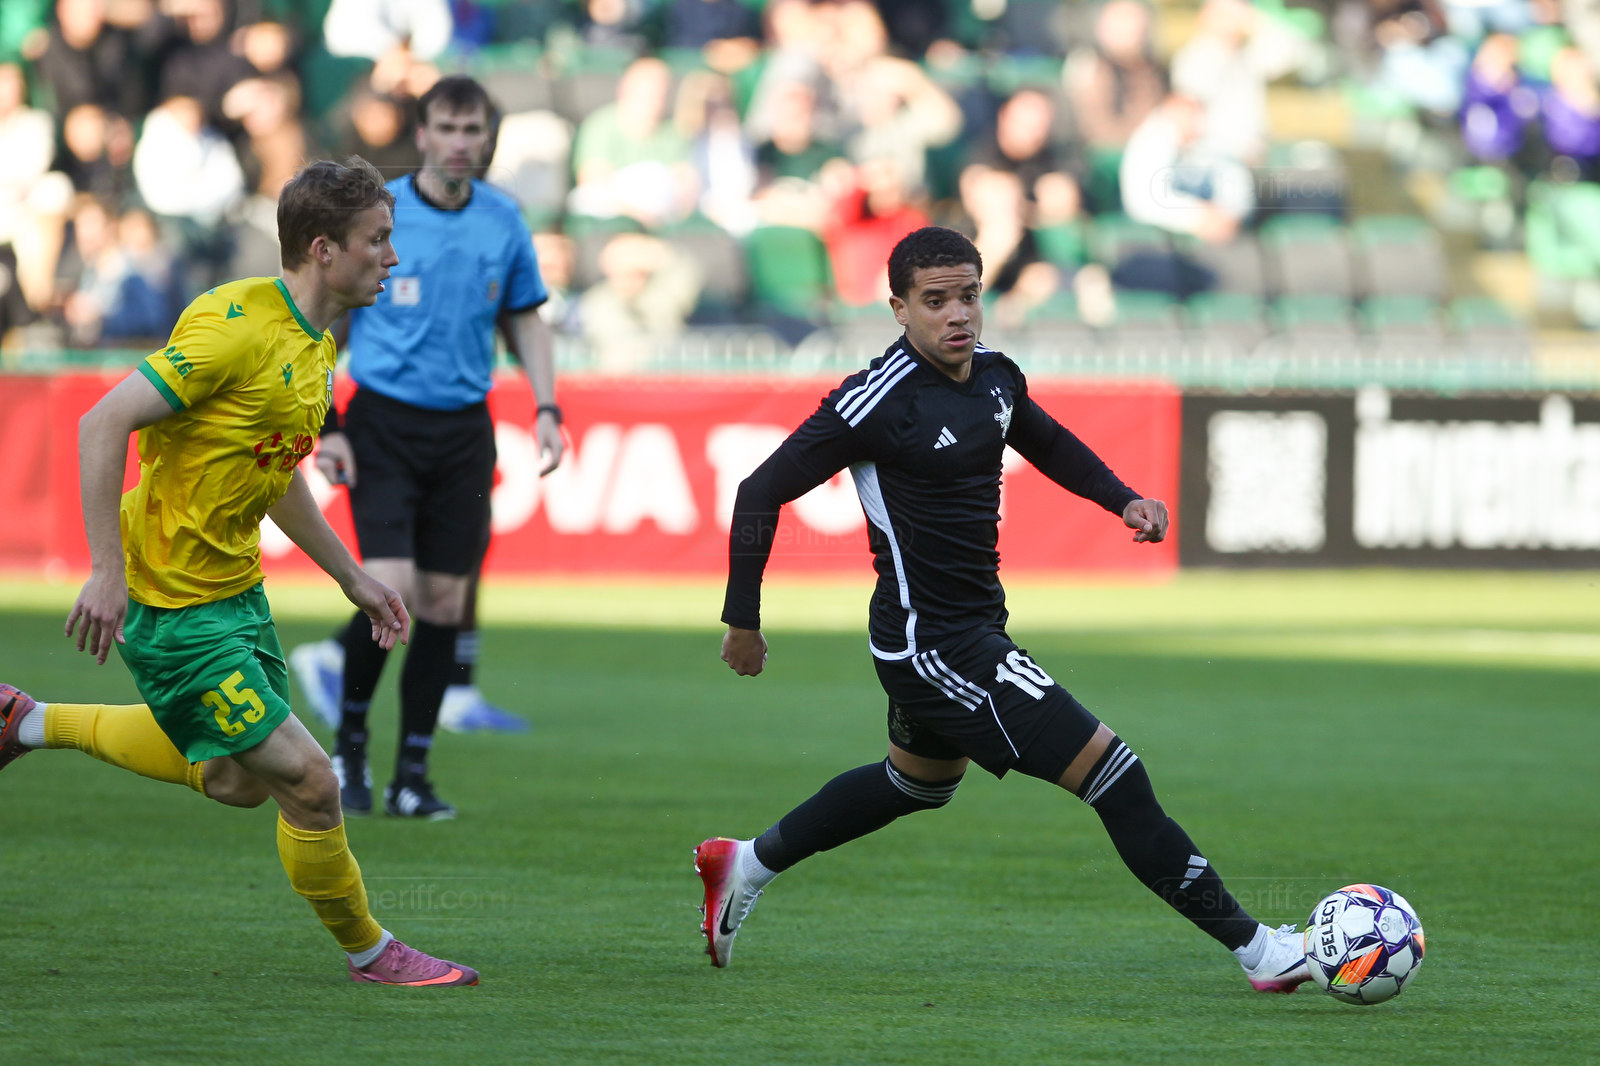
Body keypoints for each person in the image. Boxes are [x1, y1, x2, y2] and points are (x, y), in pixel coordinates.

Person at [693, 226, 1311, 994]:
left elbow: (1047, 441)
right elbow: (759, 490)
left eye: (969, 295)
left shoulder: (994, 376)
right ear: (899, 309)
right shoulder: (875, 400)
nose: (958, 314)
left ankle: (744, 863)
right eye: (935, 301)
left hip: (969, 630)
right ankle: (1259, 950)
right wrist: (743, 621)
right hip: (935, 646)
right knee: (1115, 775)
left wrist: (1121, 499)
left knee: (916, 784)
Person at [0, 157, 477, 987]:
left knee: (235, 779)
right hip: (170, 602)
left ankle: (26, 723)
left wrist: (351, 577)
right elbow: (101, 422)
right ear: (324, 249)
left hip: (234, 594)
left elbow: (275, 467)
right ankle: (373, 953)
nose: (392, 257)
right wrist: (106, 572)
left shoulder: (316, 341)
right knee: (311, 781)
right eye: (377, 239)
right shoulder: (234, 327)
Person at [288, 76, 564, 821]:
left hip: (464, 430)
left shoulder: (503, 219)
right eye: (447, 127)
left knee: (444, 601)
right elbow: (327, 317)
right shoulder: (384, 217)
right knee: (391, 588)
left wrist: (546, 406)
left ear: (488, 138)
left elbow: (525, 318)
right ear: (422, 134)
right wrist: (329, 424)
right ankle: (348, 750)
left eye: (473, 129)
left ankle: (412, 773)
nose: (460, 142)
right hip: (381, 423)